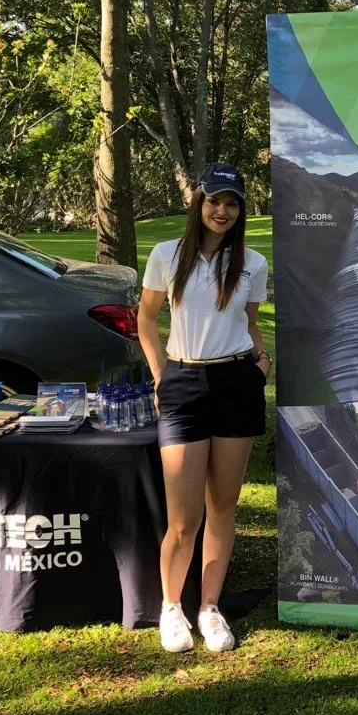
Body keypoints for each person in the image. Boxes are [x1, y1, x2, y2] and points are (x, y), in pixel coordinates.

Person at [137, 163, 271, 653]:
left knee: (223, 506)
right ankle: (172, 607)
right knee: (183, 518)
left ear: (241, 210)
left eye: (232, 203)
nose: (222, 211)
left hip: (236, 383)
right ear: (199, 203)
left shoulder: (253, 263)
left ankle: (209, 608)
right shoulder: (166, 255)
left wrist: (261, 363)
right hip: (184, 383)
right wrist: (160, 376)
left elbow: (249, 323)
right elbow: (146, 320)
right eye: (214, 201)